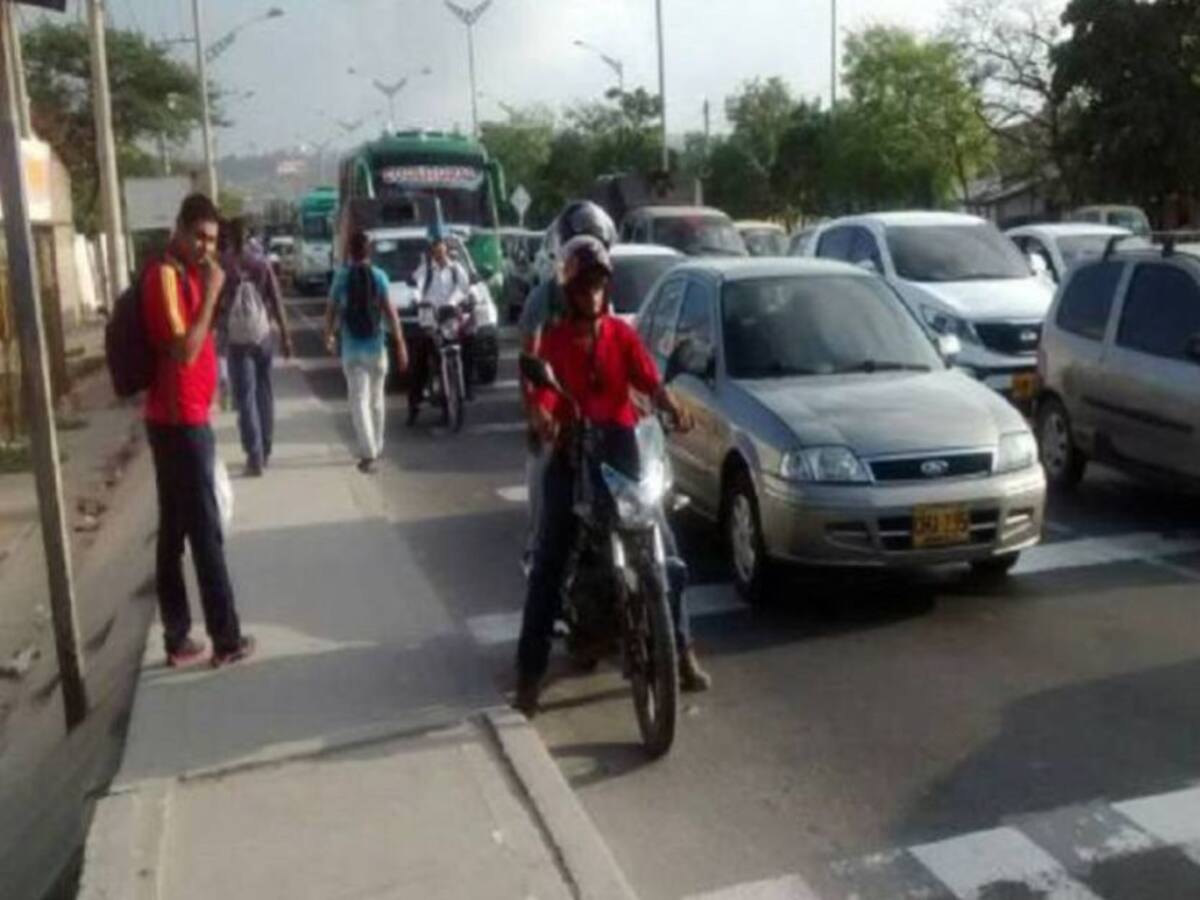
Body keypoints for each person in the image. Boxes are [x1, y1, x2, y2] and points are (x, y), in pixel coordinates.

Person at [515, 235, 711, 716]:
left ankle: (682, 650)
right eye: (584, 286)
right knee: (549, 563)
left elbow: (650, 381)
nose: (592, 293)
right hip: (573, 458)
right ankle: (529, 677)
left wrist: (671, 405)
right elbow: (541, 394)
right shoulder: (555, 342)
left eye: (599, 285)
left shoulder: (621, 336)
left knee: (664, 549)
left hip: (623, 456)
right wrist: (543, 416)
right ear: (569, 291)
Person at [142, 193, 254, 669]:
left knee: (173, 533)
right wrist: (211, 292)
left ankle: (178, 637)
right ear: (180, 229)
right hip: (179, 425)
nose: (206, 247)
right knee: (205, 533)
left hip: (183, 419)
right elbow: (184, 351)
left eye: (212, 239)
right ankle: (225, 639)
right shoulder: (166, 276)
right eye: (200, 237)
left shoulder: (186, 272)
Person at [517, 201, 617, 570]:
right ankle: (537, 547)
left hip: (596, 403)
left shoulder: (604, 299)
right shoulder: (543, 298)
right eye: (579, 253)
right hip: (556, 399)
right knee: (541, 467)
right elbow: (529, 359)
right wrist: (536, 412)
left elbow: (617, 353)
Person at [324, 230, 407, 473]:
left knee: (358, 401)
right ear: (368, 251)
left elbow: (331, 310)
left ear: (350, 252)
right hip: (377, 346)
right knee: (377, 400)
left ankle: (368, 451)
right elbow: (390, 312)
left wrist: (328, 335)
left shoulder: (341, 277)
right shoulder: (379, 276)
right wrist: (400, 343)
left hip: (352, 350)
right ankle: (377, 446)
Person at [220, 217, 293, 477]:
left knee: (246, 397)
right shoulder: (261, 263)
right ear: (248, 235)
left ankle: (254, 455)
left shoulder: (224, 264)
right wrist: (286, 336)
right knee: (264, 392)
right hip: (262, 336)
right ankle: (266, 446)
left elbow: (217, 305)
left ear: (230, 236)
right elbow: (276, 299)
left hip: (237, 341)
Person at [408, 223, 472, 423]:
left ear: (446, 245)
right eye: (434, 244)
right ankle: (414, 405)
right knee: (419, 361)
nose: (438, 248)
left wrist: (454, 302)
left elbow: (464, 288)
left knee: (469, 346)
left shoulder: (456, 269)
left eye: (441, 243)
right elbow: (416, 286)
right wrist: (418, 300)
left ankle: (464, 389)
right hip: (430, 322)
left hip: (450, 321)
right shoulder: (426, 269)